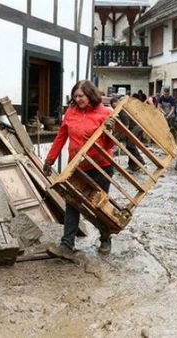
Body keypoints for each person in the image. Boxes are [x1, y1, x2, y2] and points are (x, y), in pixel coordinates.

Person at [43, 80, 115, 256]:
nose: (78, 99)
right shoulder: (70, 112)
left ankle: (105, 240)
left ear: (90, 94)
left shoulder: (104, 113)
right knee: (72, 203)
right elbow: (61, 137)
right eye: (75, 96)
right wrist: (49, 159)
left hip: (101, 167)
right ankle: (67, 245)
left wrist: (111, 132)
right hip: (76, 167)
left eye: (81, 96)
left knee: (100, 205)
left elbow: (108, 145)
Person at [111, 96, 146, 171]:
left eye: (115, 106)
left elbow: (126, 126)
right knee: (129, 146)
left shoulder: (122, 111)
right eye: (113, 107)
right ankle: (133, 165)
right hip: (133, 127)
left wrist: (118, 137)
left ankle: (140, 161)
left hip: (136, 127)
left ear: (118, 103)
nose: (115, 108)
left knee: (130, 144)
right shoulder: (120, 110)